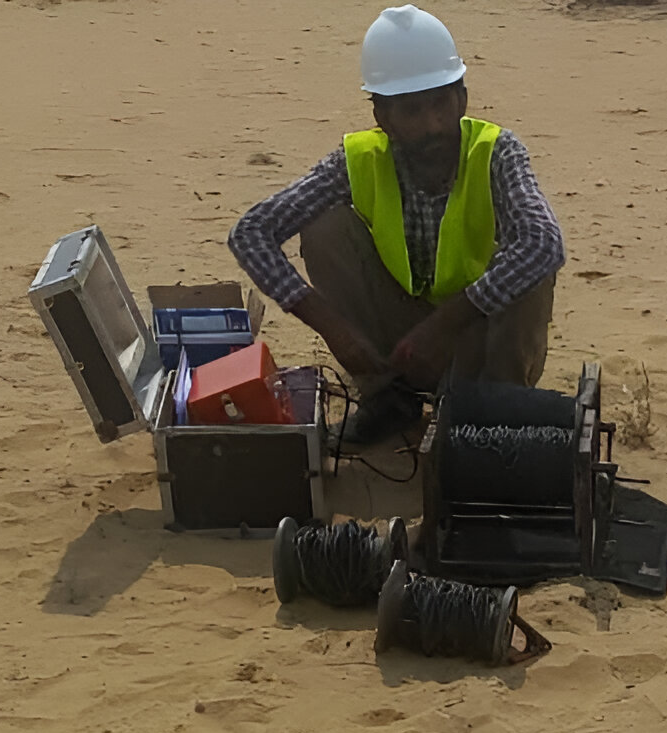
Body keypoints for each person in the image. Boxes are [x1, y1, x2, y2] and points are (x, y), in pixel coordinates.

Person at [229, 4, 565, 445]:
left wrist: (444, 325)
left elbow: (546, 244)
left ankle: (494, 418)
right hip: (400, 348)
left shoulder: (496, 152)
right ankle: (389, 403)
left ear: (462, 98)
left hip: (479, 340)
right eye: (411, 111)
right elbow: (250, 232)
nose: (433, 125)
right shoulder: (359, 161)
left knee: (532, 266)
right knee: (325, 230)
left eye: (442, 104)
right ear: (382, 117)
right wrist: (331, 326)